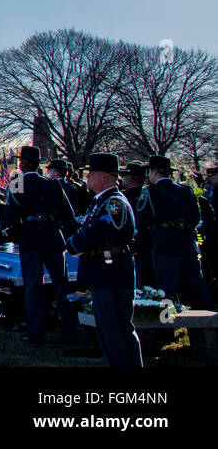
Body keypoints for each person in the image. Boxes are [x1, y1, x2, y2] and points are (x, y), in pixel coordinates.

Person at [65, 153, 143, 367]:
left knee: (115, 327)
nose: (87, 177)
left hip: (111, 272)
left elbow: (98, 233)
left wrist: (73, 243)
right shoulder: (102, 201)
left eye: (92, 173)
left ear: (105, 178)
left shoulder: (113, 203)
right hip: (106, 271)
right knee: (111, 328)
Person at [1, 145, 77, 345]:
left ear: (24, 163)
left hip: (31, 235)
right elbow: (69, 216)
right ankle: (69, 329)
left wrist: (17, 231)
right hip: (53, 235)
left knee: (33, 286)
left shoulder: (18, 182)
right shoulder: (52, 184)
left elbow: (10, 214)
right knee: (61, 285)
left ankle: (35, 331)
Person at [136, 155, 215, 309]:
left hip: (165, 244)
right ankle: (208, 323)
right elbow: (196, 218)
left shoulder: (150, 192)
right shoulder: (186, 190)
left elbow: (142, 219)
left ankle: (167, 325)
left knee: (166, 290)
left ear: (156, 172)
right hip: (187, 242)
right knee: (197, 285)